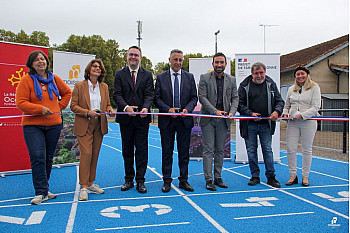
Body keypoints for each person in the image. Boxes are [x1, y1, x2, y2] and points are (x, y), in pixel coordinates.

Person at [16, 50, 72, 204]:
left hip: (54, 125)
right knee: (37, 157)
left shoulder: (54, 79)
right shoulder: (26, 80)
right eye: (37, 60)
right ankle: (40, 192)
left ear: (47, 62)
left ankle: (44, 189)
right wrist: (40, 109)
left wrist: (58, 107)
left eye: (42, 59)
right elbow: (20, 102)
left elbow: (67, 92)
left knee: (47, 158)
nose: (40, 61)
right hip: (33, 126)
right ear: (31, 64)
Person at [70, 59, 115, 201]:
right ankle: (83, 186)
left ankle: (90, 183)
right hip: (84, 124)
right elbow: (73, 106)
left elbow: (107, 104)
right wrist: (87, 112)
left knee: (95, 154)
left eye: (99, 67)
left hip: (99, 125)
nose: (97, 68)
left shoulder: (104, 87)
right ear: (89, 69)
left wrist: (110, 110)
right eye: (94, 66)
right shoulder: (79, 86)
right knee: (86, 154)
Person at [154, 49, 198, 193]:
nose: (178, 62)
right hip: (167, 120)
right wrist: (168, 110)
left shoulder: (189, 77)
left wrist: (187, 109)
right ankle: (167, 181)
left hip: (184, 120)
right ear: (169, 60)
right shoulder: (161, 77)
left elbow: (194, 98)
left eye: (180, 60)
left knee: (184, 152)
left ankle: (183, 180)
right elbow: (157, 98)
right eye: (175, 59)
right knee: (167, 152)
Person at [113, 46, 154, 193]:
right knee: (127, 150)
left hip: (142, 119)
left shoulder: (148, 75)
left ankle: (140, 181)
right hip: (126, 119)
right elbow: (117, 94)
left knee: (142, 151)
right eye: (131, 54)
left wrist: (146, 108)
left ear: (140, 58)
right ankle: (128, 179)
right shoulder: (119, 74)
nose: (133, 57)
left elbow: (150, 94)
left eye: (136, 55)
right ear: (127, 56)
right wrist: (126, 108)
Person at [238, 62, 284, 188]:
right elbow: (239, 104)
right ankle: (255, 176)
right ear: (252, 74)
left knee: (267, 150)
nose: (259, 75)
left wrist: (277, 111)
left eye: (261, 73)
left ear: (265, 72)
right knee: (251, 151)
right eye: (256, 73)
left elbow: (280, 101)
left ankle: (271, 176)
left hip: (266, 124)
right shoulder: (244, 85)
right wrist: (250, 113)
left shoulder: (271, 84)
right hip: (249, 124)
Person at [198, 52, 238, 191]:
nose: (219, 65)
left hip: (224, 120)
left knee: (220, 150)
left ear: (226, 64)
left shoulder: (232, 80)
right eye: (217, 62)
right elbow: (202, 97)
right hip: (208, 118)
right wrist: (215, 111)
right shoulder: (204, 78)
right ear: (213, 64)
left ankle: (218, 177)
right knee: (209, 150)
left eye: (222, 62)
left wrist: (232, 111)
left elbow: (235, 98)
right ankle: (209, 179)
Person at [282, 66, 321, 187]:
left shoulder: (314, 88)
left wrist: (303, 115)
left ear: (307, 75)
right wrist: (285, 112)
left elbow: (316, 106)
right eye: (298, 74)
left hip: (308, 121)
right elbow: (287, 105)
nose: (300, 76)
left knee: (306, 149)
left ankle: (305, 176)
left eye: (302, 74)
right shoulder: (291, 89)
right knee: (290, 148)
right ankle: (293, 175)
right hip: (293, 122)